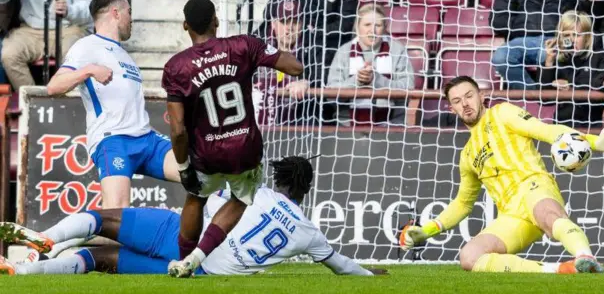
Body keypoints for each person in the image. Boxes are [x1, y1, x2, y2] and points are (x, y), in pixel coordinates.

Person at [399, 76, 604, 274]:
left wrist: (594, 142)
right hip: (511, 215)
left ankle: (586, 257)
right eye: (458, 101)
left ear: (481, 95)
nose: (465, 104)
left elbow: (546, 131)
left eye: (469, 95)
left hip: (534, 187)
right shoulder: (468, 155)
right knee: (469, 256)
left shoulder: (502, 113)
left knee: (549, 216)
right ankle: (559, 269)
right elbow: (462, 204)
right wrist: (427, 230)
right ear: (452, 108)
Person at [0, 156, 386, 277]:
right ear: (307, 188)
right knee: (95, 260)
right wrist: (374, 275)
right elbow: (343, 266)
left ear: (279, 177)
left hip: (181, 235)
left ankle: (47, 237)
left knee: (99, 220)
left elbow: (211, 203)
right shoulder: (309, 234)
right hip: (202, 271)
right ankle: (26, 274)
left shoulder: (256, 193)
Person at [161, 0, 303, 278]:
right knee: (240, 198)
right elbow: (295, 68)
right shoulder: (243, 45)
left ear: (185, 25)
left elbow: (177, 129)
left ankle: (184, 260)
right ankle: (198, 257)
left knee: (195, 197)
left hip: (206, 153)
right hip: (244, 149)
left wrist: (183, 166)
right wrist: (266, 51)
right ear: (216, 20)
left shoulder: (176, 67)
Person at [47, 0, 181, 211]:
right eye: (129, 12)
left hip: (146, 139)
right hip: (113, 140)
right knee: (117, 214)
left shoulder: (124, 55)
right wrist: (89, 70)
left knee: (197, 175)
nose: (132, 18)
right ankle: (63, 239)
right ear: (116, 13)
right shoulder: (87, 46)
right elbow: (53, 87)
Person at [326, 3, 415, 126]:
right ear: (358, 27)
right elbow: (330, 95)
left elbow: (408, 88)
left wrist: (376, 80)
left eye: (377, 25)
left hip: (391, 126)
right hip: (346, 127)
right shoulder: (344, 51)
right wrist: (356, 81)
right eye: (367, 25)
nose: (372, 30)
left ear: (384, 28)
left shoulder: (397, 49)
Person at [539, 10, 604, 126]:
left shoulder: (601, 57)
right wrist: (549, 62)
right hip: (563, 126)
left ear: (587, 36)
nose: (571, 40)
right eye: (567, 35)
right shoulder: (559, 61)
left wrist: (571, 89)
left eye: (577, 35)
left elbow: (599, 92)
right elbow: (544, 100)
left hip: (592, 125)